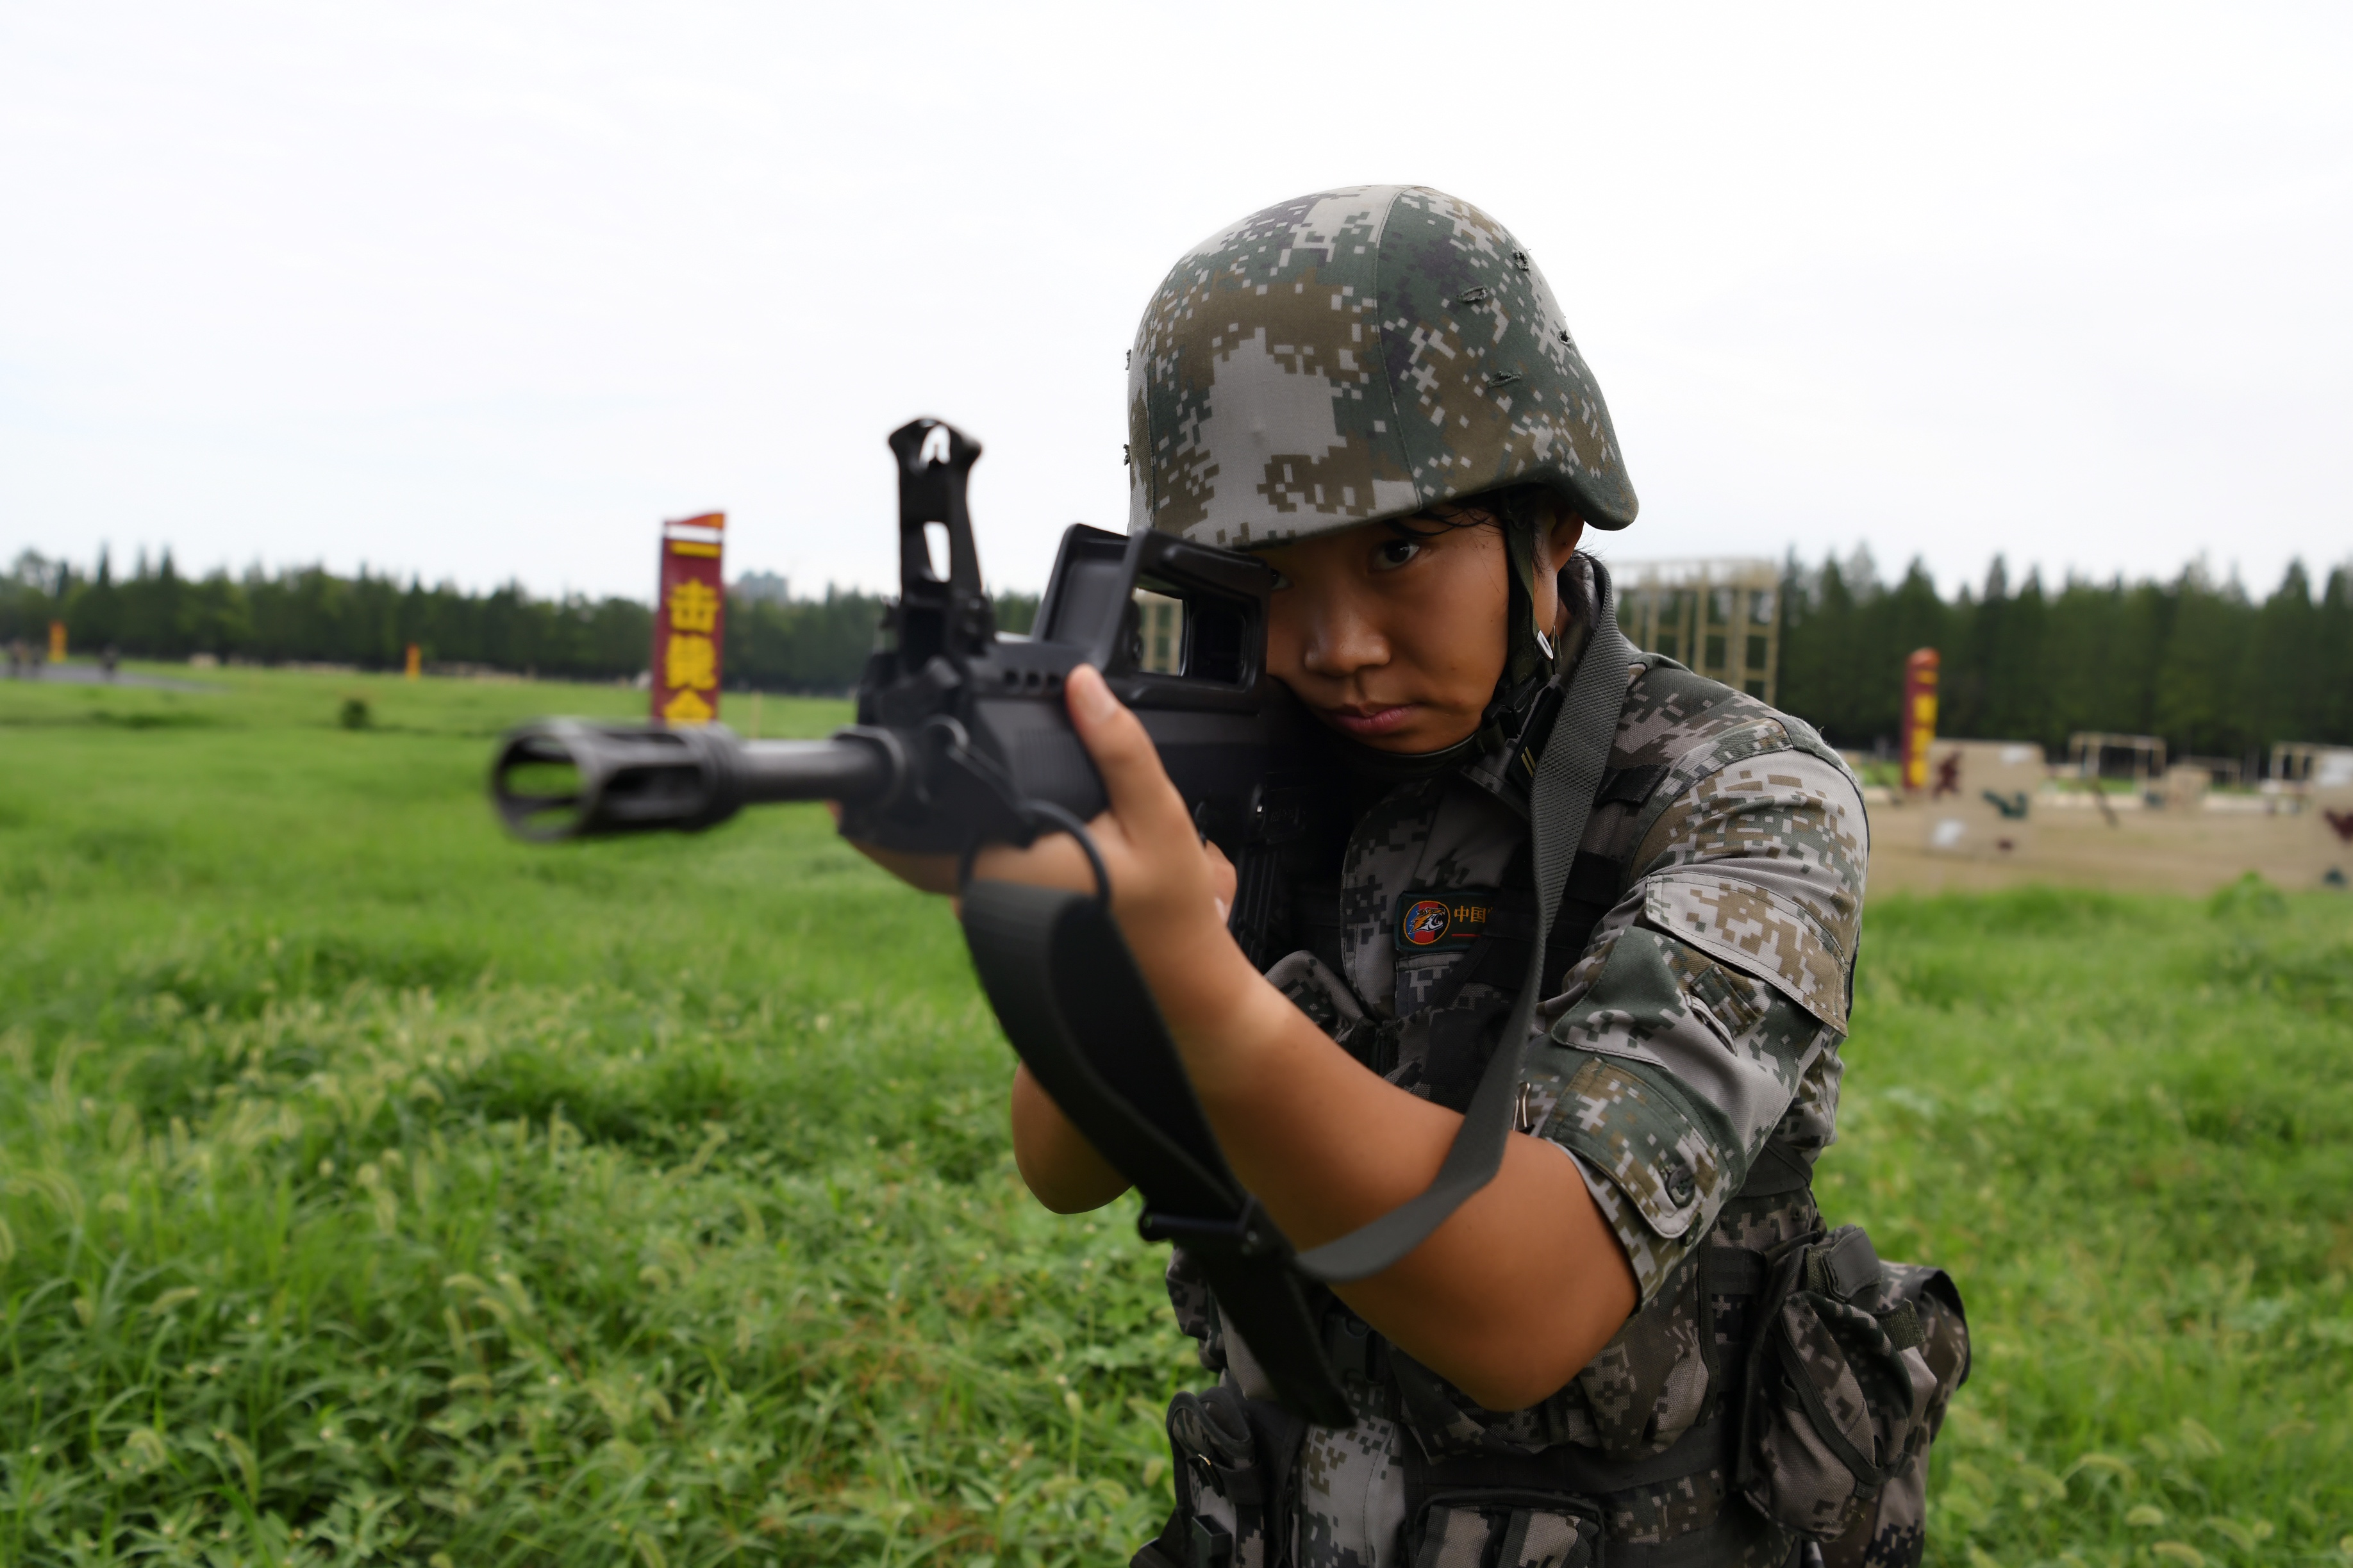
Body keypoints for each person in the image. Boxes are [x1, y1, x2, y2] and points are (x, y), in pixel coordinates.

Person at [860, 186, 1964, 1568]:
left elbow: (1523, 1311)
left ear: (1550, 522)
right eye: (1267, 571)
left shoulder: (1743, 795)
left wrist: (1200, 991)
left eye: (1399, 550)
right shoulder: (1269, 769)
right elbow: (1063, 1161)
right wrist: (1070, 911)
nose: (1337, 647)